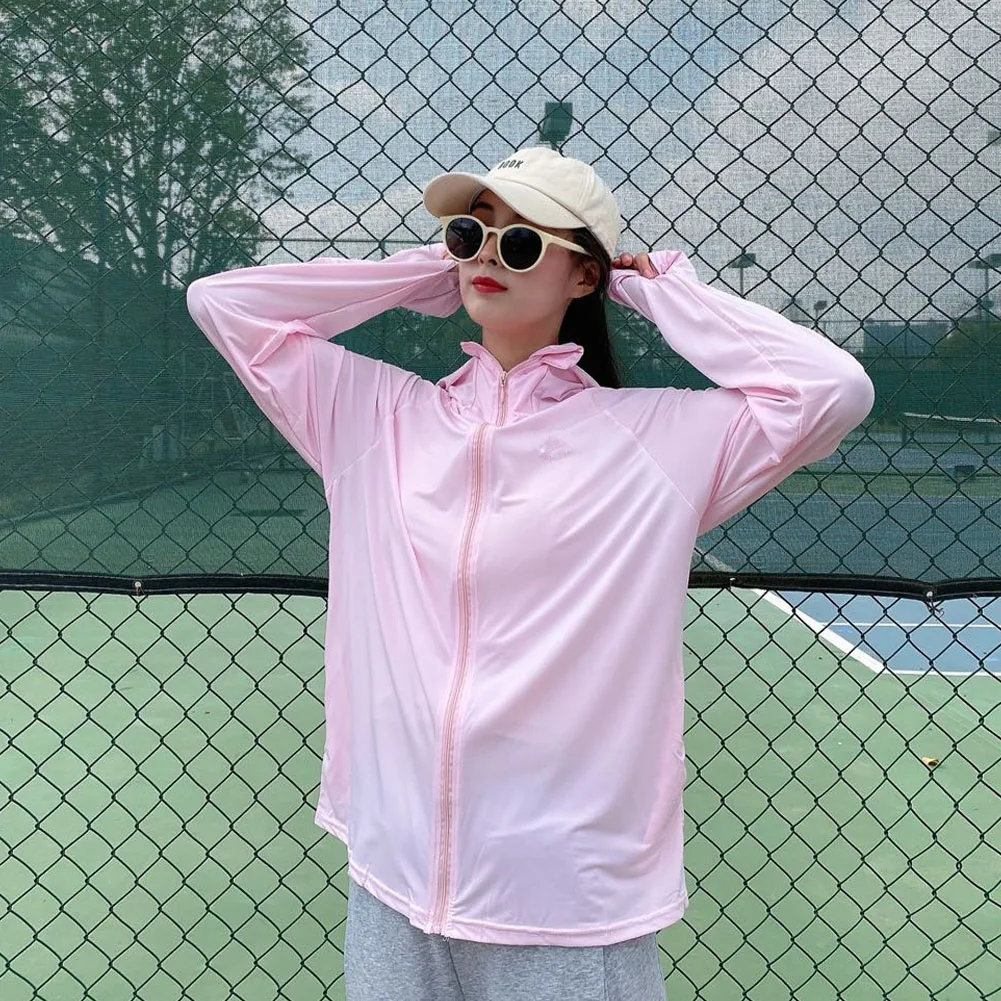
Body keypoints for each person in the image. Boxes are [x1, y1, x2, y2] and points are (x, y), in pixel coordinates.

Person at [186, 145, 875, 1000]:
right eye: (471, 234)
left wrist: (654, 289)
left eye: (520, 243)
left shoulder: (655, 441)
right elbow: (223, 304)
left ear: (583, 276)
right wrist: (425, 272)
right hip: (394, 878)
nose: (487, 256)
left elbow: (832, 388)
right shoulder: (375, 417)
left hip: (561, 900)